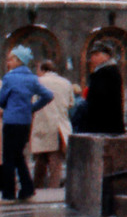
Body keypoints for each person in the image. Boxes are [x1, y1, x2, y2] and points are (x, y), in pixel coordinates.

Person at [1, 48, 54, 202]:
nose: (8, 62)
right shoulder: (31, 78)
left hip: (11, 121)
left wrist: (7, 105)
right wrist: (33, 108)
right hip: (25, 121)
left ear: (18, 61)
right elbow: (48, 95)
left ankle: (9, 193)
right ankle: (27, 189)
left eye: (11, 59)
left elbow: (1, 99)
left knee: (9, 157)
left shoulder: (9, 78)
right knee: (18, 155)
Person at [28, 57, 75, 189]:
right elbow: (71, 103)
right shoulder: (66, 83)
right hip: (60, 126)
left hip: (41, 124)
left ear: (42, 69)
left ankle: (37, 188)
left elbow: (31, 102)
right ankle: (53, 189)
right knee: (56, 163)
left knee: (40, 161)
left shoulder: (37, 82)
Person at [75, 43, 127, 137]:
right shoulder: (104, 71)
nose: (92, 58)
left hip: (103, 122)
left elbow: (99, 98)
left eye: (96, 55)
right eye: (92, 55)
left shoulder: (107, 72)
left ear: (106, 56)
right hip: (104, 122)